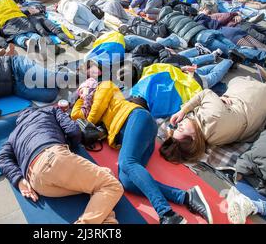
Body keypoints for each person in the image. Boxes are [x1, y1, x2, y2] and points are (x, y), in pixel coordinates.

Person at [71, 79, 213, 224]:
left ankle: (167, 213)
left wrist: (86, 102)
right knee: (127, 182)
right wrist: (80, 100)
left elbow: (92, 118)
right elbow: (75, 116)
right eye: (79, 94)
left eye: (82, 90)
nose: (81, 94)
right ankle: (186, 197)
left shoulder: (104, 86)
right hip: (137, 133)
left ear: (91, 86)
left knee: (127, 162)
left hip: (137, 118)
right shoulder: (88, 103)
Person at [0, 106, 123, 224]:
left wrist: (19, 180)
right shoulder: (49, 110)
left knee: (104, 175)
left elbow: (1, 158)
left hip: (37, 183)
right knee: (111, 185)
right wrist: (70, 145)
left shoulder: (13, 136)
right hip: (53, 158)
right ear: (34, 110)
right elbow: (74, 131)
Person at [160, 76, 266, 163]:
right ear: (193, 138)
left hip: (261, 115)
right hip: (255, 98)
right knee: (235, 80)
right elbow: (206, 93)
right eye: (180, 128)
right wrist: (183, 110)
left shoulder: (211, 139)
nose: (180, 123)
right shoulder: (211, 116)